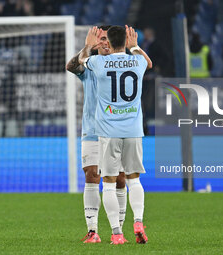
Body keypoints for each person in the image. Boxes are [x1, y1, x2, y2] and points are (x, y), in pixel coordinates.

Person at [79, 25, 152, 244]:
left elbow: (82, 60)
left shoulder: (99, 63)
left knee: (109, 183)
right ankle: (138, 221)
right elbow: (149, 63)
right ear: (126, 41)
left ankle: (116, 233)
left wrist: (88, 45)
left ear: (109, 41)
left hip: (108, 131)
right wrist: (135, 46)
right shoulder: (137, 62)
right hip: (133, 130)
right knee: (134, 180)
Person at [65, 25, 127, 244]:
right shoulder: (90, 66)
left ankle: (118, 231)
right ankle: (92, 231)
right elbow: (71, 67)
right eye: (101, 39)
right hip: (92, 131)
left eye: (108, 39)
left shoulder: (124, 65)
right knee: (92, 175)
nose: (104, 43)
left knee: (120, 179)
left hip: (118, 132)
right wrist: (86, 47)